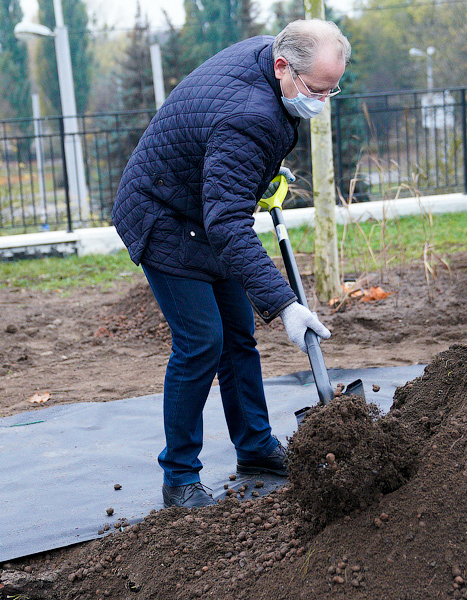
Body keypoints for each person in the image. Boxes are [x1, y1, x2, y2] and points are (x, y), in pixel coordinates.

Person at [112, 20, 351, 508]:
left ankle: (256, 447)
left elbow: (222, 162)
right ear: (283, 66)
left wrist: (257, 171)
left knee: (238, 336)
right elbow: (229, 226)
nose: (322, 103)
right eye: (317, 90)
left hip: (200, 205)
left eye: (333, 90)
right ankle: (179, 477)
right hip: (163, 215)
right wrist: (286, 305)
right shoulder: (251, 116)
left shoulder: (270, 58)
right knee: (202, 342)